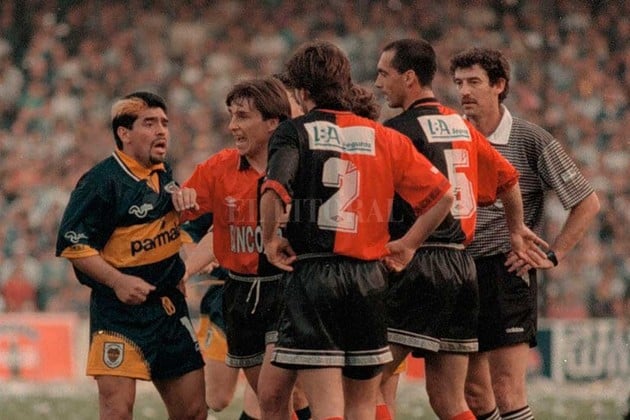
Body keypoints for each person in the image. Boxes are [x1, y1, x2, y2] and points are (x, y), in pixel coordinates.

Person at [258, 40, 455, 420]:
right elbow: (443, 197)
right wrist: (409, 244)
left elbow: (273, 191)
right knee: (362, 406)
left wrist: (270, 240)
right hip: (369, 280)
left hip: (315, 275)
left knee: (327, 407)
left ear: (303, 91)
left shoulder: (293, 132)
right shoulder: (384, 136)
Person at [373, 38, 547, 420]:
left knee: (366, 384)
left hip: (416, 264)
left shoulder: (396, 130)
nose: (378, 83)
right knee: (449, 399)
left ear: (409, 78)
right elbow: (508, 178)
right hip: (461, 269)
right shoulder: (460, 126)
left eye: (384, 74)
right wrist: (515, 229)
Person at [449, 47, 600, 420]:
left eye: (474, 82)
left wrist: (553, 254)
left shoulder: (531, 139)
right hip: (457, 269)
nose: (464, 91)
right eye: (459, 83)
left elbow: (586, 202)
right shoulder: (449, 134)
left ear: (499, 85)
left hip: (506, 272)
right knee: (473, 393)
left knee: (507, 390)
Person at [55, 91, 207, 420]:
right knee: (117, 412)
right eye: (149, 123)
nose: (161, 130)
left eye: (164, 123)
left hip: (169, 310)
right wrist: (118, 281)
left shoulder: (163, 174)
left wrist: (186, 218)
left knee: (194, 412)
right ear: (124, 133)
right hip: (119, 315)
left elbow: (166, 228)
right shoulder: (101, 181)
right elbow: (72, 243)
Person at [173, 77, 311, 420]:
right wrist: (176, 200)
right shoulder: (219, 168)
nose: (232, 125)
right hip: (238, 294)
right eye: (232, 116)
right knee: (263, 401)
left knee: (276, 392)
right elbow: (183, 219)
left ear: (272, 123)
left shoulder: (304, 165)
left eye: (242, 116)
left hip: (288, 290)